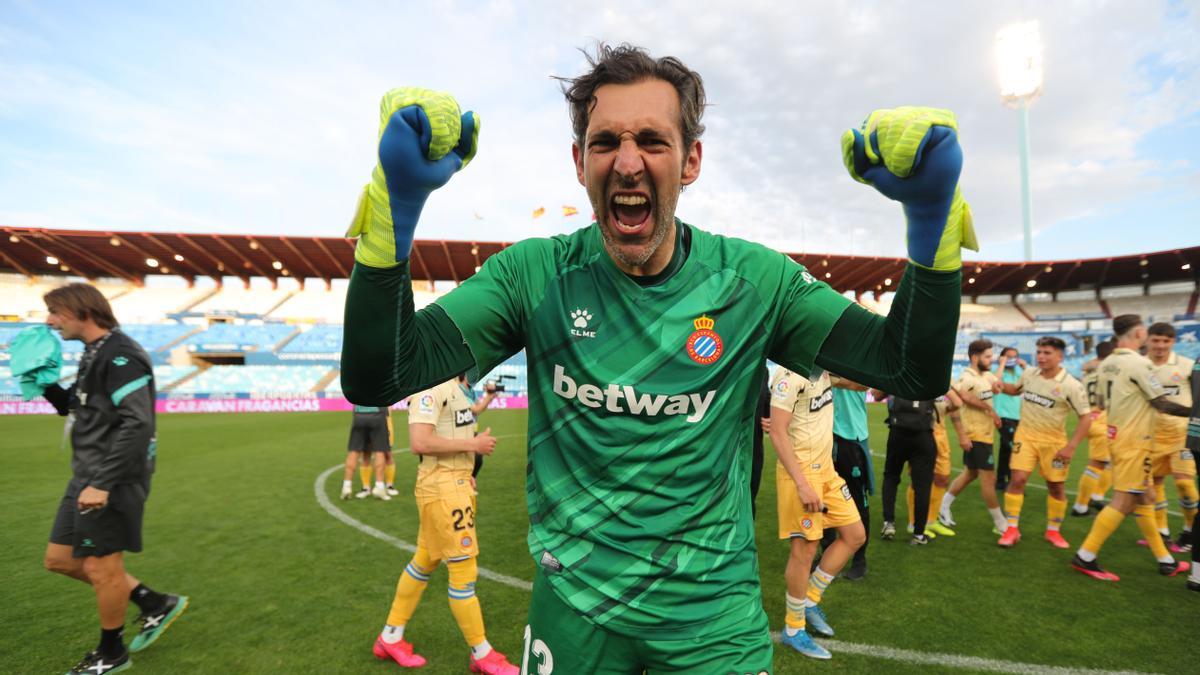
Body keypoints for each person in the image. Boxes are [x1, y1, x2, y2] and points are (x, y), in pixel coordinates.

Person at [341, 44, 972, 672]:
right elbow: (382, 373)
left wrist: (931, 223)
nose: (627, 162)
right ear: (578, 161)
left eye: (652, 139)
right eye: (604, 141)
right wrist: (392, 215)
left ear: (691, 159)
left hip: (712, 616)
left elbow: (909, 369)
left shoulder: (754, 282)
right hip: (574, 607)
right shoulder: (532, 276)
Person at [38, 283, 188, 675]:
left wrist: (102, 482)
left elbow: (138, 424)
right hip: (88, 475)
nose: (49, 321)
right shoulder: (94, 353)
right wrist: (43, 384)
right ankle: (154, 603)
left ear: (81, 310)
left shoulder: (121, 355)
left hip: (112, 478)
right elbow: (76, 408)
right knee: (59, 560)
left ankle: (112, 652)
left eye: (55, 312)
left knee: (101, 569)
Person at [373, 374, 508, 672]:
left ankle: (390, 636)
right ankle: (482, 653)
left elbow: (462, 421)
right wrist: (474, 444)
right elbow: (419, 442)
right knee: (463, 569)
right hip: (443, 489)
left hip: (456, 484)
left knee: (424, 561)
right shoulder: (430, 386)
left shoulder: (457, 388)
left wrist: (467, 464)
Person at [1070, 315, 1192, 581]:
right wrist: (1195, 413)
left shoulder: (1106, 364)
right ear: (1138, 333)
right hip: (1135, 440)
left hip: (1115, 435)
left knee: (1146, 497)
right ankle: (1085, 556)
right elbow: (1162, 404)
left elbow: (1100, 401)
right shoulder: (1140, 364)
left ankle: (1166, 561)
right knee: (1123, 501)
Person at [768, 366, 866, 660]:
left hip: (826, 471)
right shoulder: (789, 377)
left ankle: (809, 600)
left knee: (854, 535)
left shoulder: (824, 371)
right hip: (801, 476)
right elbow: (777, 431)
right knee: (804, 550)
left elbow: (862, 384)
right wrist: (802, 485)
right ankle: (794, 628)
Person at [994, 336, 1092, 549]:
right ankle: (1011, 529)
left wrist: (1071, 447)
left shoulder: (1071, 385)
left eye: (1047, 353)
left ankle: (1053, 531)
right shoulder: (1029, 374)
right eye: (1039, 352)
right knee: (1017, 479)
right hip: (1025, 437)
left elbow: (1086, 417)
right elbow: (1014, 390)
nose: (1041, 357)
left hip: (1054, 444)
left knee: (1056, 487)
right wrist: (1001, 385)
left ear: (1060, 356)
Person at [939, 339, 1008, 534]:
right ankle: (1001, 524)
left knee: (971, 473)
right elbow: (962, 396)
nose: (990, 360)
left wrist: (997, 383)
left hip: (985, 433)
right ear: (975, 357)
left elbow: (997, 383)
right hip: (975, 434)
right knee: (988, 478)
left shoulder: (985, 375)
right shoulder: (967, 377)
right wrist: (990, 409)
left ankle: (943, 506)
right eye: (987, 356)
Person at [1145, 322, 1196, 552]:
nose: (1160, 345)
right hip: (1150, 436)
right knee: (1154, 485)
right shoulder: (1141, 367)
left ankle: (1190, 531)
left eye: (1165, 341)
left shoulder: (1186, 365)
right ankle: (1162, 531)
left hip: (1181, 435)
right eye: (1156, 340)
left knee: (1184, 482)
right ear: (1148, 340)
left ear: (1173, 342)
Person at [822, 378, 874, 579]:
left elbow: (864, 384)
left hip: (852, 437)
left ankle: (859, 560)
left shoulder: (855, 355)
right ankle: (826, 551)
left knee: (857, 500)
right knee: (823, 497)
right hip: (823, 437)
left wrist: (827, 376)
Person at [907, 387, 966, 538]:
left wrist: (961, 434)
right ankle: (913, 523)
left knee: (942, 478)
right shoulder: (918, 377)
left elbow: (956, 405)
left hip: (941, 435)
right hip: (920, 433)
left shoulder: (944, 379)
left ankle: (931, 520)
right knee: (918, 480)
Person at [879, 393, 938, 545]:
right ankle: (918, 535)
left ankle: (889, 523)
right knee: (922, 486)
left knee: (891, 477)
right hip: (923, 434)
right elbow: (953, 400)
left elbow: (877, 395)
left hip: (898, 432)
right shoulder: (931, 374)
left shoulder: (898, 370)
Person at [1072, 339, 1116, 516]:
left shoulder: (1088, 372)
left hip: (1089, 418)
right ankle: (1080, 507)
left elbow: (1085, 366)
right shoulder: (1108, 371)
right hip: (1102, 419)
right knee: (1097, 464)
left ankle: (1096, 496)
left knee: (1112, 461)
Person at [341, 404, 393, 500]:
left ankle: (346, 486)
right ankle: (379, 486)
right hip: (377, 413)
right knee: (380, 450)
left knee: (354, 451)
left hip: (359, 413)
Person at [993, 346, 1025, 491]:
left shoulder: (1018, 371)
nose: (1011, 359)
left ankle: (1000, 481)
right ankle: (1013, 482)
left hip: (1017, 415)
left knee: (1006, 449)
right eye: (1008, 356)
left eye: (1014, 356)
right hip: (1002, 415)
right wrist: (1002, 364)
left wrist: (1025, 367)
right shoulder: (997, 370)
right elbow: (996, 383)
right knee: (1013, 448)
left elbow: (1029, 382)